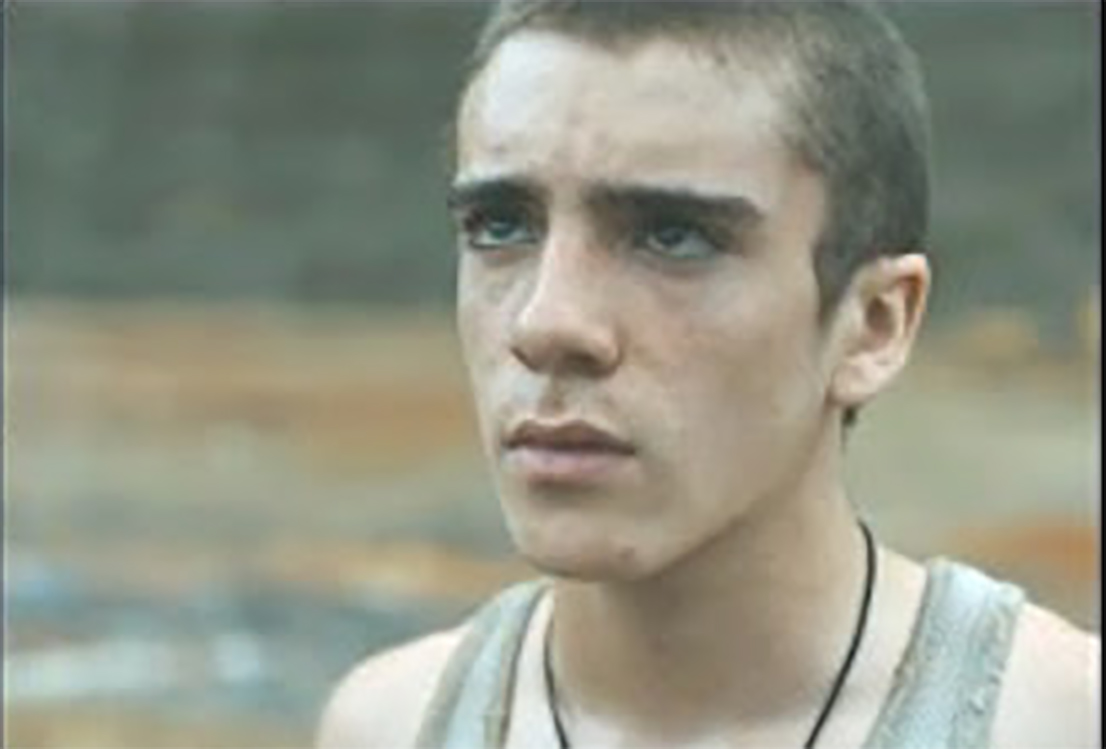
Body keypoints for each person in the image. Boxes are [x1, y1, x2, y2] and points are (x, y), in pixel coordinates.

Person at [317, 2, 1099, 747]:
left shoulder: (1055, 723)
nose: (546, 323)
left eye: (673, 237)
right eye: (500, 227)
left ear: (873, 324)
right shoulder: (394, 724)